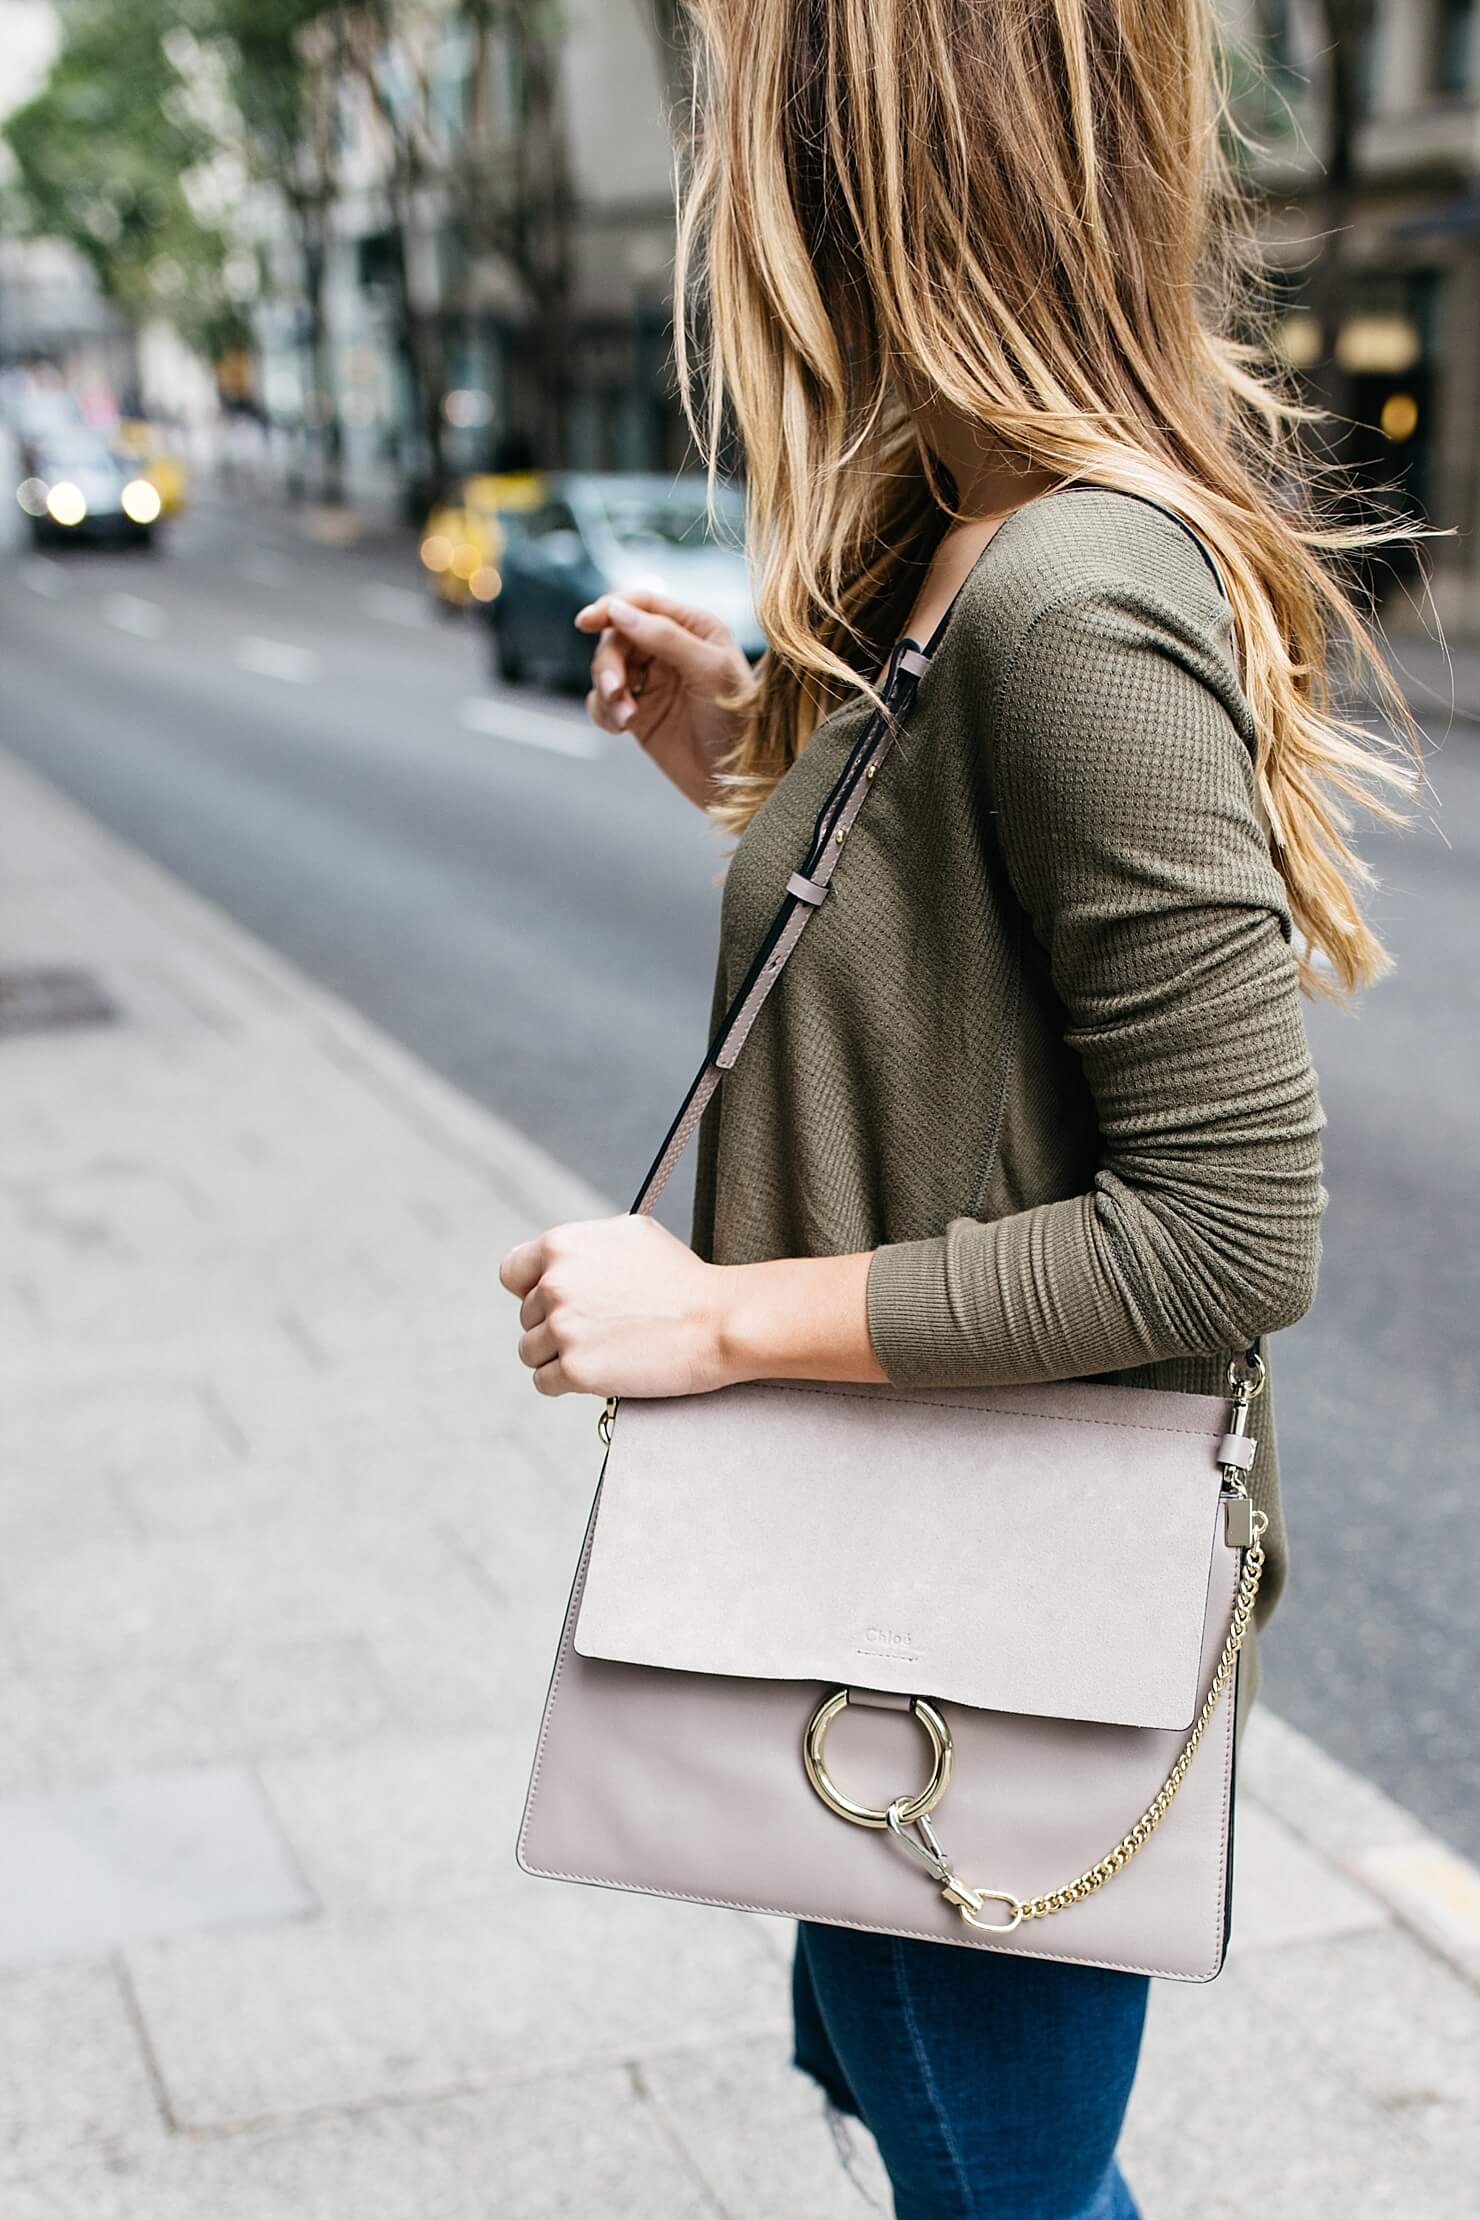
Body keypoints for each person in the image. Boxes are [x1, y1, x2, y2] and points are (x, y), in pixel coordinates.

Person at [498, 4, 1421, 2213]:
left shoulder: (1072, 592)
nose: (730, 177)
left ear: (859, 160)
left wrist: (704, 1322)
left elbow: (1224, 1235)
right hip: (871, 1568)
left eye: (752, 117)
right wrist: (752, 759)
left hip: (978, 1621)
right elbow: (953, 962)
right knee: (922, 2123)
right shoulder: (951, 539)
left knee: (1002, 2191)